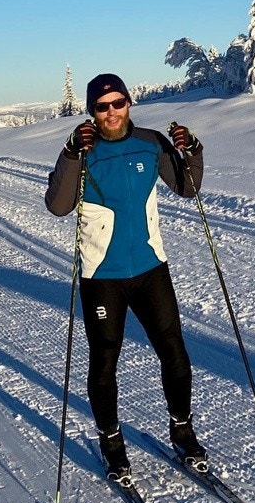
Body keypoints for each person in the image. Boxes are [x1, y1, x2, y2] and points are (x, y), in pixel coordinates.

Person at [45, 73, 206, 481]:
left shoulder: (151, 143)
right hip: (102, 276)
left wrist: (193, 150)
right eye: (102, 106)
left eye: (118, 103)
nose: (112, 112)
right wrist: (69, 153)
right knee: (104, 362)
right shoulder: (83, 152)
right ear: (92, 112)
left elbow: (186, 186)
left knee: (174, 353)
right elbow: (59, 206)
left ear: (129, 103)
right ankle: (111, 442)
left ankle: (182, 430)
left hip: (151, 268)